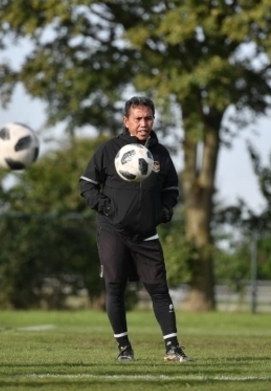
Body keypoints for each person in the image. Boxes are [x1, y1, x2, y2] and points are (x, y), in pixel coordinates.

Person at [79, 96, 189, 362]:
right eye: (138, 118)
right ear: (126, 121)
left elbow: (172, 188)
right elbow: (87, 185)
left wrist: (164, 210)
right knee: (115, 287)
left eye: (148, 118)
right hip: (112, 230)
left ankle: (173, 348)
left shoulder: (160, 153)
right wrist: (106, 208)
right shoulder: (109, 150)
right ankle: (124, 349)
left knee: (159, 289)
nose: (143, 124)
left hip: (146, 234)